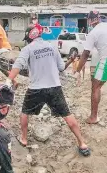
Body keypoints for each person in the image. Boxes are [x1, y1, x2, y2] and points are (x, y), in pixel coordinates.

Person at [5, 24, 91, 157]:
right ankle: (82, 143)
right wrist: (70, 60)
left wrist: (8, 80)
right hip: (54, 87)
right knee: (67, 114)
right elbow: (61, 68)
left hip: (36, 89)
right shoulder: (52, 46)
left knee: (24, 112)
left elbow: (18, 65)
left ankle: (23, 138)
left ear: (29, 36)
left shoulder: (28, 49)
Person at [74, 10, 107, 126]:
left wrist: (77, 70)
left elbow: (85, 54)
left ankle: (94, 117)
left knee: (95, 87)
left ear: (90, 21)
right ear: (99, 18)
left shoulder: (93, 33)